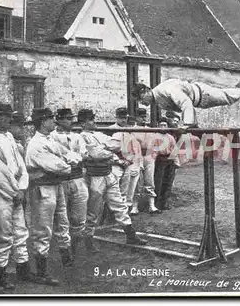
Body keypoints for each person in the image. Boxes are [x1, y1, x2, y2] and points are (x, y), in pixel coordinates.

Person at [0, 101, 34, 292]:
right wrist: (15, 192)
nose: (10, 119)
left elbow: (20, 165)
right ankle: (0, 277)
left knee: (20, 232)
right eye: (6, 116)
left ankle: (23, 270)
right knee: (3, 236)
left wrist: (22, 187)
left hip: (16, 191)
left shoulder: (8, 135)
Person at [77, 109, 148, 247]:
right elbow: (92, 155)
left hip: (108, 173)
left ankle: (130, 235)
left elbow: (117, 145)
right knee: (93, 210)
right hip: (95, 176)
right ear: (83, 123)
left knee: (119, 205)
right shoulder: (81, 137)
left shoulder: (99, 134)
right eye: (90, 120)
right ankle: (88, 240)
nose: (93, 122)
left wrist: (100, 149)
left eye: (93, 119)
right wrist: (104, 150)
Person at [25, 108, 76, 286]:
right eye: (49, 119)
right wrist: (69, 164)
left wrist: (70, 161)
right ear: (41, 122)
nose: (53, 121)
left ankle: (66, 259)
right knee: (43, 228)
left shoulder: (50, 139)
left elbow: (69, 155)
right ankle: (41, 271)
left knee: (63, 221)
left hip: (55, 185)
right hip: (42, 188)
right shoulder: (36, 144)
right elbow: (59, 165)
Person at [50, 108, 90, 258]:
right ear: (58, 120)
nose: (70, 121)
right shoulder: (52, 136)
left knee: (79, 217)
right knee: (61, 217)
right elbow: (54, 158)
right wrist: (71, 159)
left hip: (78, 178)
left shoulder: (77, 137)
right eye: (66, 118)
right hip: (60, 181)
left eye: (71, 118)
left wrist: (75, 159)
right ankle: (61, 251)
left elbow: (84, 156)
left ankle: (75, 249)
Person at [132, 79, 240, 126]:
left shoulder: (164, 89)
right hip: (199, 100)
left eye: (140, 99)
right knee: (224, 93)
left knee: (226, 98)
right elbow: (182, 109)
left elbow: (186, 103)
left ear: (145, 91)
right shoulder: (158, 101)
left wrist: (188, 123)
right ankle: (239, 87)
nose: (141, 103)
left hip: (203, 94)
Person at [132, 108, 161, 214]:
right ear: (136, 118)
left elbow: (157, 144)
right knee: (137, 181)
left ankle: (151, 205)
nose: (143, 118)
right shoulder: (132, 130)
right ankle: (135, 206)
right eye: (141, 117)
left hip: (149, 157)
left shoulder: (151, 130)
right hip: (137, 157)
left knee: (149, 180)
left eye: (145, 116)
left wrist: (154, 155)